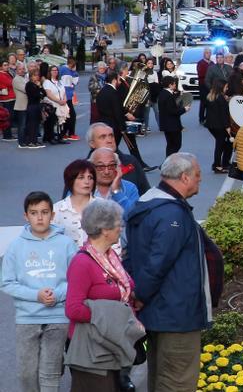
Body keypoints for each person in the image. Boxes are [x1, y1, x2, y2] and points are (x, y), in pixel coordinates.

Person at [124, 153, 213, 391]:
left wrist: (138, 295)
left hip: (158, 313)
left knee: (160, 377)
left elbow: (131, 255)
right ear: (184, 177)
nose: (199, 180)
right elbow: (158, 263)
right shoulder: (172, 214)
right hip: (176, 314)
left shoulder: (147, 205)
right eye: (197, 176)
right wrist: (140, 295)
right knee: (178, 381)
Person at [1, 191, 78, 392]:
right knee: (27, 373)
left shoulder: (66, 244)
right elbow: (6, 282)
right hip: (27, 318)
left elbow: (76, 279)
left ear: (52, 215)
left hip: (57, 316)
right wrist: (36, 295)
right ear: (26, 216)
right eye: (34, 213)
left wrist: (58, 294)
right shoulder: (16, 247)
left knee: (50, 372)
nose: (40, 217)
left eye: (44, 212)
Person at [65, 199, 142, 392]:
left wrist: (131, 297)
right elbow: (73, 309)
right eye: (118, 224)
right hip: (93, 350)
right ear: (105, 229)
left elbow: (123, 288)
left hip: (114, 343)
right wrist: (110, 316)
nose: (121, 229)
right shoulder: (82, 263)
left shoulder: (110, 256)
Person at [88, 122, 153, 190]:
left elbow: (145, 192)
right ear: (92, 144)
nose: (109, 140)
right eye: (103, 137)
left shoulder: (131, 162)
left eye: (111, 136)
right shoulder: (85, 168)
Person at [54, 160, 98, 247]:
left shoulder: (104, 207)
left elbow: (114, 242)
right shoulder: (57, 209)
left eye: (90, 177)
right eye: (81, 177)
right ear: (71, 180)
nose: (87, 182)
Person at [90, 147, 141, 214]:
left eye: (111, 166)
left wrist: (116, 192)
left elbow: (134, 216)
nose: (106, 172)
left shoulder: (130, 188)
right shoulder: (81, 188)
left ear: (117, 168)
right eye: (101, 167)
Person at [156, 76, 189, 156]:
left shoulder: (163, 93)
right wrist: (185, 109)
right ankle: (169, 162)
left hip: (166, 124)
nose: (175, 85)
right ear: (170, 85)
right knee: (176, 144)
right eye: (174, 83)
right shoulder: (168, 96)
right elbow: (173, 111)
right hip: (172, 125)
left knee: (170, 145)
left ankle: (167, 162)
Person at [206, 78, 233, 173]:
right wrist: (228, 127)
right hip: (220, 125)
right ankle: (217, 165)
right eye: (226, 86)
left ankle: (223, 163)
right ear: (221, 87)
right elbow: (223, 114)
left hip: (211, 125)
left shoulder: (211, 96)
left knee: (222, 144)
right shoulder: (221, 98)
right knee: (222, 145)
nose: (227, 88)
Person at [43, 63, 70, 144]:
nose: (55, 72)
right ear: (50, 72)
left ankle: (59, 137)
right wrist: (58, 101)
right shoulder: (47, 82)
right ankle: (50, 137)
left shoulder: (60, 81)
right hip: (52, 104)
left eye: (56, 70)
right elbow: (49, 94)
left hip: (61, 103)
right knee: (52, 121)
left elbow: (64, 92)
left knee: (60, 121)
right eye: (53, 70)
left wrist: (64, 100)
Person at [23, 62, 46, 148]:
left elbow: (44, 94)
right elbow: (35, 95)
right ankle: (30, 141)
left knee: (37, 124)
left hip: (37, 106)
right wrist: (38, 89)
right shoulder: (29, 85)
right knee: (32, 124)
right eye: (35, 75)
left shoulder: (37, 85)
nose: (37, 77)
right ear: (31, 77)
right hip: (32, 106)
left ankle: (35, 140)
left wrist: (40, 87)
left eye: (38, 75)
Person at [59, 58, 80, 140]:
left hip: (65, 95)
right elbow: (75, 82)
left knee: (66, 114)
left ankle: (65, 133)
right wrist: (75, 72)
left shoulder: (61, 69)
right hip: (67, 95)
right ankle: (70, 133)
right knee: (71, 115)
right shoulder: (67, 71)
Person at [195, 48, 212, 125]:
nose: (208, 54)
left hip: (211, 86)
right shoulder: (200, 63)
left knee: (211, 102)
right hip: (203, 85)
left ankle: (209, 118)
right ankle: (201, 118)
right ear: (204, 54)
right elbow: (200, 74)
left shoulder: (212, 63)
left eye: (209, 53)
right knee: (203, 102)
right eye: (207, 53)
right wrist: (210, 75)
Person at [0, 59, 15, 141]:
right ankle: (7, 135)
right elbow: (11, 83)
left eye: (7, 65)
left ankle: (9, 135)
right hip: (6, 98)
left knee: (10, 116)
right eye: (5, 65)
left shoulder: (8, 73)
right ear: (1, 67)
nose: (7, 66)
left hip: (11, 97)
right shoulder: (1, 74)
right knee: (7, 117)